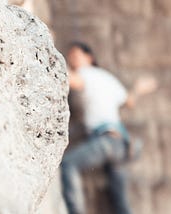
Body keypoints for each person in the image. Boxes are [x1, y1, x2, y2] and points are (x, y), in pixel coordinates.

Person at [61, 42, 135, 214]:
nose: (72, 59)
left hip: (106, 140)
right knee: (120, 201)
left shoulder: (86, 74)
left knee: (68, 164)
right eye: (70, 56)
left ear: (89, 58)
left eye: (75, 56)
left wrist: (50, 46)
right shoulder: (107, 77)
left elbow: (68, 78)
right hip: (121, 144)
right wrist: (139, 88)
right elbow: (129, 101)